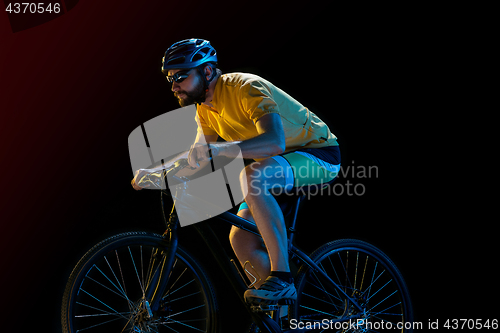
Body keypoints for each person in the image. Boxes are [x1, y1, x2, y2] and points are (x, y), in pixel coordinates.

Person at [131, 38, 341, 305]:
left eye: (181, 77)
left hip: (319, 153)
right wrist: (156, 172)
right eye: (171, 79)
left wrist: (223, 150)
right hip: (277, 166)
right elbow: (198, 156)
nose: (174, 86)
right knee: (240, 239)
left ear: (207, 71)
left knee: (251, 176)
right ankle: (280, 315)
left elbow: (274, 141)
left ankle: (283, 278)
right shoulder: (205, 108)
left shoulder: (245, 87)